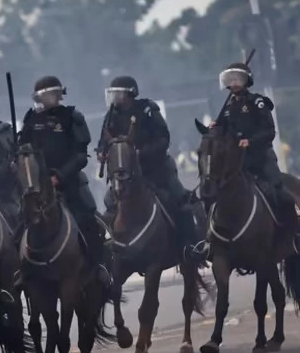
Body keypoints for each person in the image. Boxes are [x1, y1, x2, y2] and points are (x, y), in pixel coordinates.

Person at [96, 75, 204, 261]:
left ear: (129, 94)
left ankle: (189, 245)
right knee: (109, 202)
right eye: (112, 94)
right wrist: (101, 153)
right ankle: (110, 248)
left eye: (117, 94)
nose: (114, 98)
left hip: (157, 169)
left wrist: (140, 153)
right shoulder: (111, 115)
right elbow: (103, 142)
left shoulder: (147, 110)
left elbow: (164, 138)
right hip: (127, 175)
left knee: (179, 199)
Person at [18, 75, 110, 283]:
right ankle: (21, 270)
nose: (51, 98)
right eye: (46, 94)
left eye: (53, 93)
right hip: (37, 185)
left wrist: (59, 176)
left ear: (59, 94)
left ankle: (99, 266)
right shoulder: (31, 119)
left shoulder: (71, 116)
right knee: (18, 221)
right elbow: (23, 150)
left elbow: (80, 155)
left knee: (88, 217)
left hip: (69, 181)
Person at [210, 62, 297, 235]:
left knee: (280, 193)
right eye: (231, 80)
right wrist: (215, 127)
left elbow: (269, 131)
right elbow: (224, 133)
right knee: (215, 192)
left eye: (237, 79)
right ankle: (213, 238)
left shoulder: (257, 102)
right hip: (238, 161)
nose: (234, 83)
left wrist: (250, 141)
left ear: (246, 81)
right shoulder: (227, 110)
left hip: (261, 157)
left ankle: (292, 234)